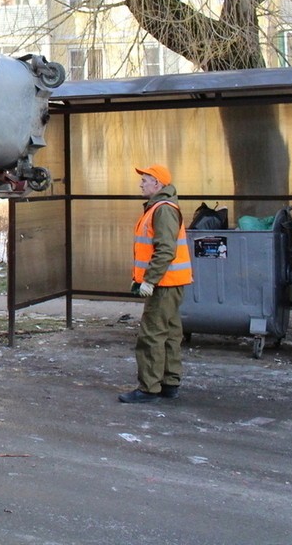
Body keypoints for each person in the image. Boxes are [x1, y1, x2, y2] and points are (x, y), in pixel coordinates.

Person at [119, 164, 194, 404]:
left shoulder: (162, 210)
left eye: (146, 180)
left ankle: (149, 388)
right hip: (170, 281)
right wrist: (140, 279)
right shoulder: (160, 208)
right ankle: (169, 383)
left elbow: (164, 251)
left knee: (151, 334)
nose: (141, 184)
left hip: (163, 283)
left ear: (158, 185)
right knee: (170, 333)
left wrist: (149, 281)